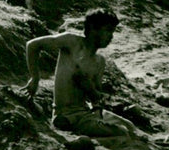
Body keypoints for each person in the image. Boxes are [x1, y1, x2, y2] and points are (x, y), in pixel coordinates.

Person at [24, 9, 136, 138]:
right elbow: (32, 45)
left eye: (113, 31)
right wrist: (35, 78)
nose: (111, 36)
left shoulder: (99, 61)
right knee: (121, 132)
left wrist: (91, 92)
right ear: (93, 28)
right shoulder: (72, 42)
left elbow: (96, 99)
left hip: (86, 114)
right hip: (66, 116)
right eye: (108, 30)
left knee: (129, 127)